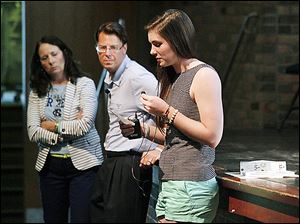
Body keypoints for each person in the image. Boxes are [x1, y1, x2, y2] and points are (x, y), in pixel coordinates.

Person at [121, 9, 223, 223]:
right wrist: (142, 130)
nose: (151, 51)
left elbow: (212, 136)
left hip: (190, 184)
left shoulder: (203, 75)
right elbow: (176, 137)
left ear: (177, 40)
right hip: (173, 182)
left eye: (157, 44)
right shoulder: (175, 78)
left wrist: (166, 111)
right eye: (151, 44)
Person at [27, 35, 103, 223]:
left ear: (64, 54)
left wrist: (53, 126)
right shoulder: (37, 90)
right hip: (50, 167)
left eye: (54, 54)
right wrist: (64, 132)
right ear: (40, 63)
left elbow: (85, 125)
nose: (51, 60)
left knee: (82, 219)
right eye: (44, 58)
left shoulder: (84, 84)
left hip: (83, 166)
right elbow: (33, 131)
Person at [89, 22, 160, 223]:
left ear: (124, 48)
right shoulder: (111, 76)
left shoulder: (138, 77)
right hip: (112, 160)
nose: (107, 53)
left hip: (130, 163)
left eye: (113, 47)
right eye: (102, 47)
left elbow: (168, 112)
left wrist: (160, 148)